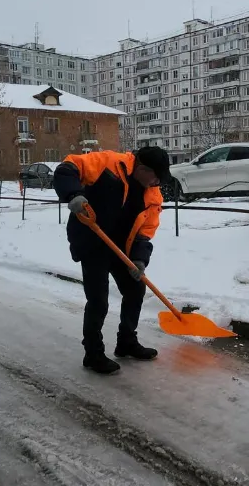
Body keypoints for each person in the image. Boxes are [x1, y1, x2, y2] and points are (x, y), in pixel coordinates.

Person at [53, 146, 171, 375]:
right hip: (92, 240)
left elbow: (146, 232)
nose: (157, 182)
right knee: (98, 300)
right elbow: (67, 168)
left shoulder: (153, 194)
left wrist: (139, 260)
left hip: (121, 248)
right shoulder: (109, 163)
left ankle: (126, 342)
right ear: (142, 168)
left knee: (135, 289)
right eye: (155, 176)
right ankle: (93, 353)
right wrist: (73, 194)